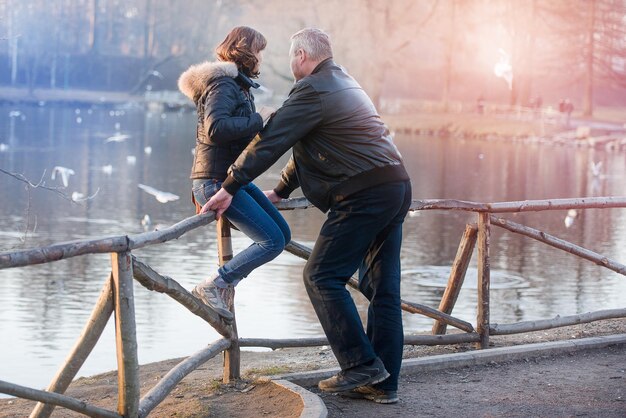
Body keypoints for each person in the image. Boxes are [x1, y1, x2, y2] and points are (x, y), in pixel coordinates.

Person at [203, 28, 412, 404]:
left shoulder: (312, 89)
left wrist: (229, 185)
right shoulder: (344, 82)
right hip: (395, 186)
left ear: (301, 56)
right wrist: (281, 191)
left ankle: (360, 364)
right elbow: (313, 146)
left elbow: (273, 140)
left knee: (320, 276)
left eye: (287, 55)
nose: (286, 62)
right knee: (384, 291)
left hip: (363, 194)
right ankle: (383, 383)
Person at [178, 26, 290, 322]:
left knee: (283, 234)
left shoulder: (235, 85)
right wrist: (258, 119)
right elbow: (216, 130)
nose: (261, 58)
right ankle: (214, 284)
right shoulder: (223, 85)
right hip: (214, 182)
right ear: (246, 51)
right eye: (259, 51)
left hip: (231, 179)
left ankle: (226, 283)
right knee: (272, 242)